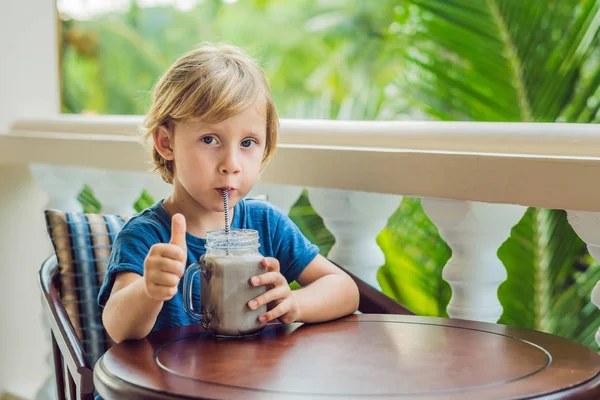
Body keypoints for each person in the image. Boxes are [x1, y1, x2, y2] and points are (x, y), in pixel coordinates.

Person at [98, 43, 360, 343]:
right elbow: (117, 328)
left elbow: (344, 288)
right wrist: (149, 290)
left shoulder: (266, 225)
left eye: (248, 143)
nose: (231, 165)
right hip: (165, 387)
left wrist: (295, 303)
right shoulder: (147, 235)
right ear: (166, 143)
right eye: (209, 139)